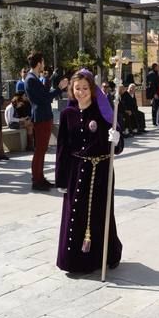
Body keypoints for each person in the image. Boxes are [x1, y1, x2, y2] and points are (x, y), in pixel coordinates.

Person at [55, 70, 123, 273]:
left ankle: (108, 254)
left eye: (85, 88)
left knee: (101, 214)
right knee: (75, 213)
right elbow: (62, 149)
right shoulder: (68, 114)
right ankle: (74, 261)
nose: (81, 92)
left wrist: (116, 139)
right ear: (72, 90)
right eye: (77, 88)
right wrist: (60, 179)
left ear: (91, 90)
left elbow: (114, 145)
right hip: (76, 172)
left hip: (100, 171)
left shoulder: (101, 112)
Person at [25, 51, 69, 191]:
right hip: (41, 117)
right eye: (43, 62)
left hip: (43, 116)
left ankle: (40, 178)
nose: (44, 64)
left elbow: (43, 95)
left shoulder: (33, 77)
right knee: (40, 150)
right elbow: (44, 98)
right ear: (39, 63)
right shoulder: (31, 78)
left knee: (41, 150)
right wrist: (59, 88)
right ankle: (37, 180)